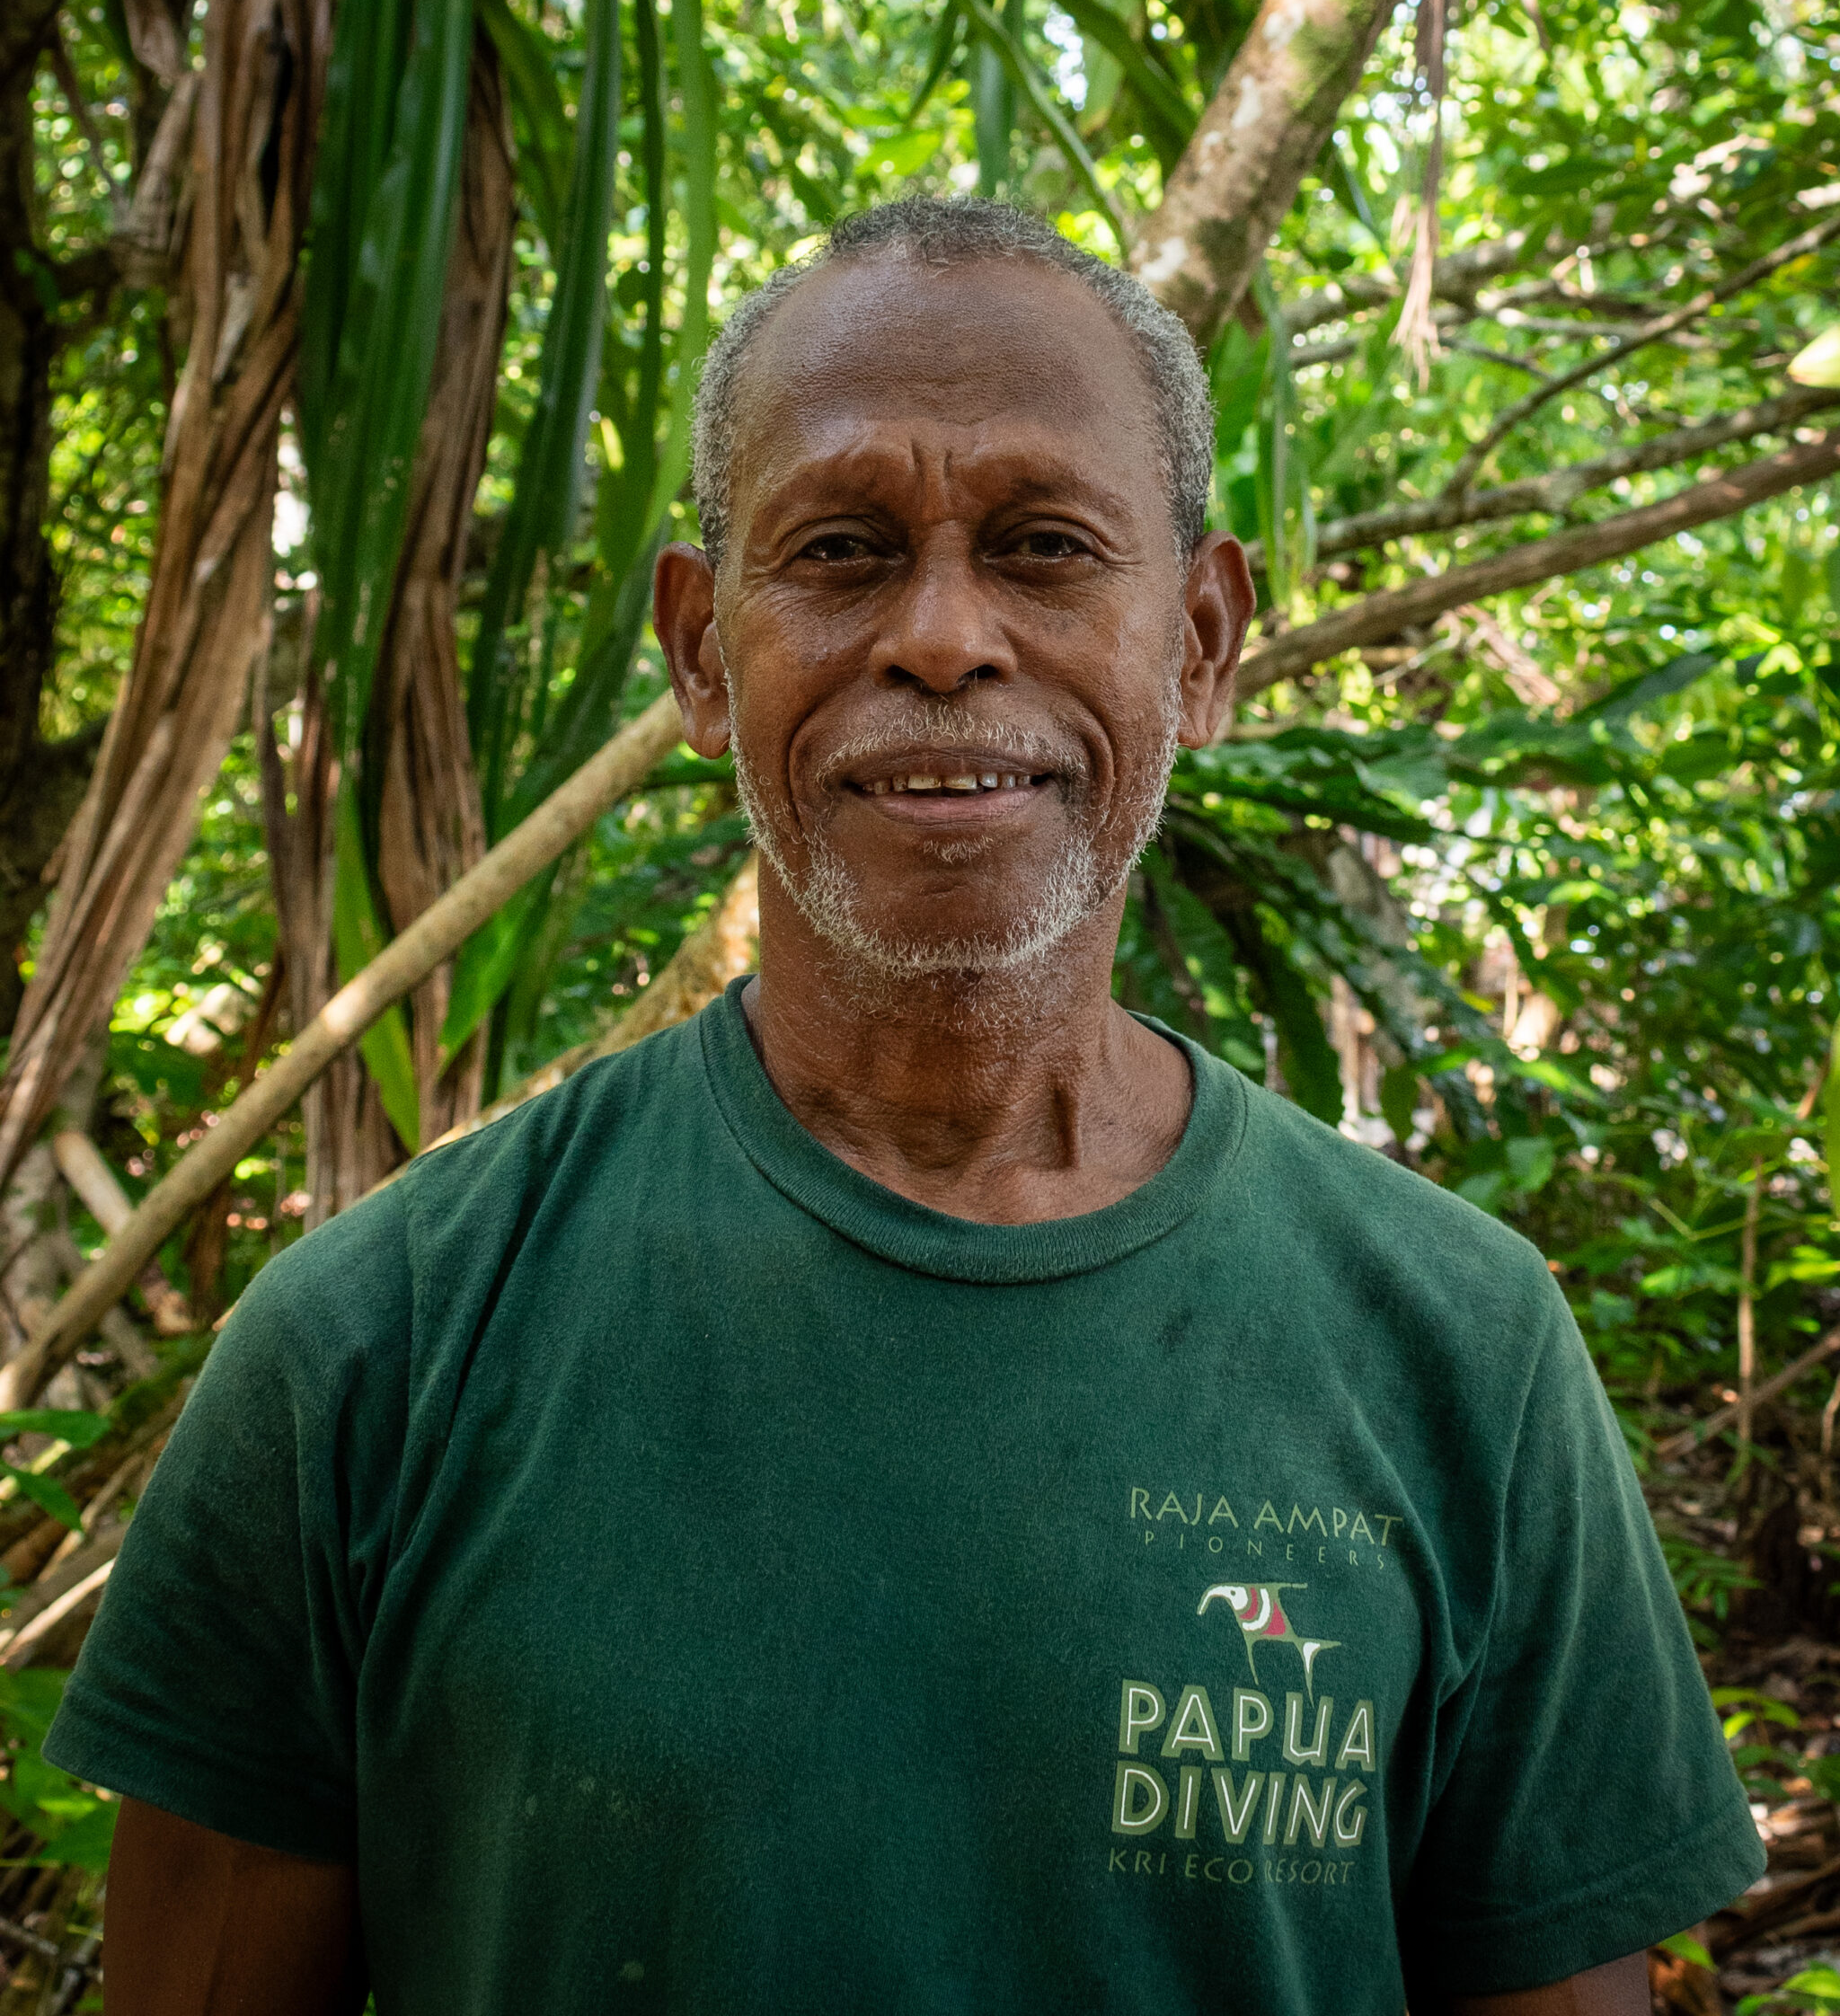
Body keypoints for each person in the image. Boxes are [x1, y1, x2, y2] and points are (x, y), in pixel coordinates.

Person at [51, 199, 1757, 2014]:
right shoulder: (373, 1350)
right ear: (703, 651)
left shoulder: (1457, 1346)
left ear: (1198, 637)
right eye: (845, 550)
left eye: (1040, 546)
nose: (943, 635)